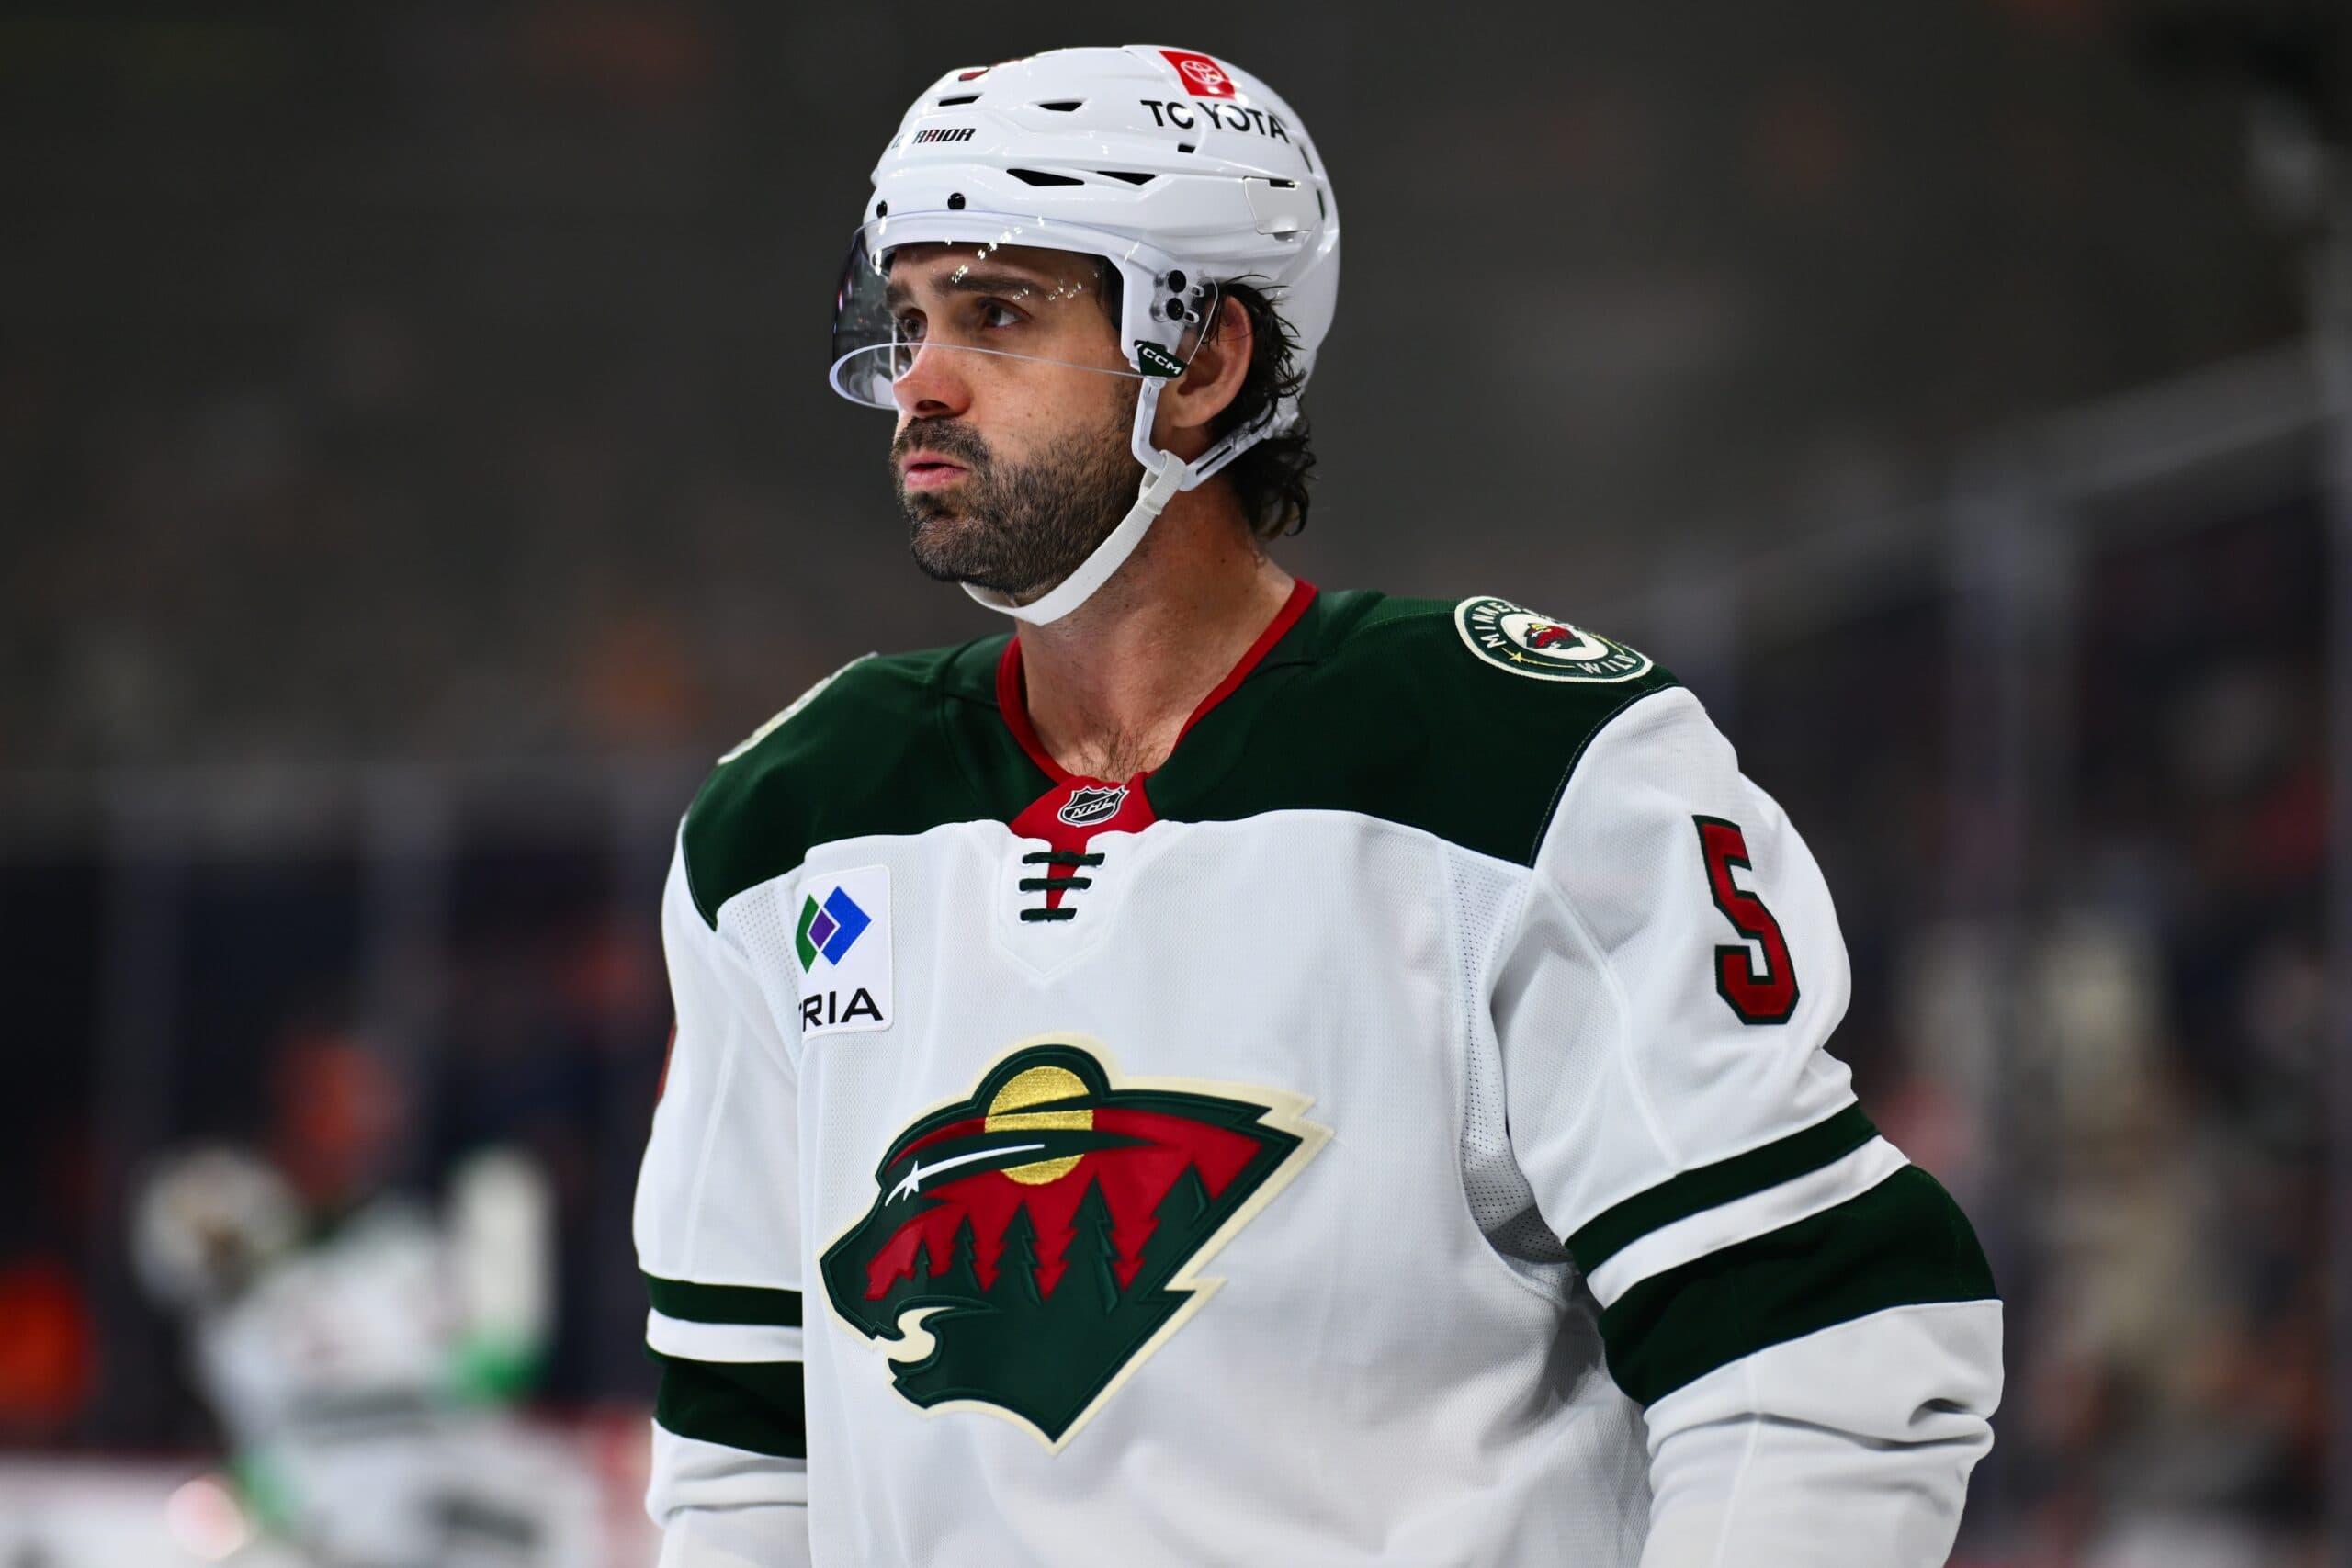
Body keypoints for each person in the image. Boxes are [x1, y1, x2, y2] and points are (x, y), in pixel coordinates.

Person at [633, 44, 2002, 1568]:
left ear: (1206, 362)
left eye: (999, 314)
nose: (922, 386)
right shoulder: (791, 819)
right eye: (908, 321)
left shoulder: (1522, 763)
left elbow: (1819, 1348)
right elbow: (745, 1436)